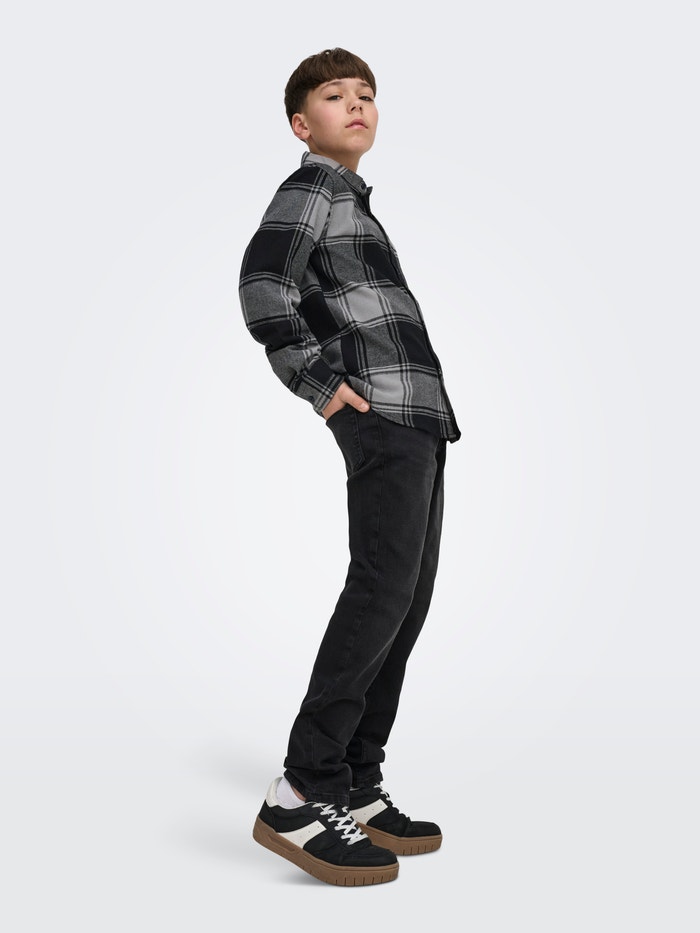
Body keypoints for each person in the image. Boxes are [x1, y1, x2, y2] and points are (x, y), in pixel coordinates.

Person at [238, 47, 461, 887]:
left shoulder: (354, 203)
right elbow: (262, 283)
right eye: (335, 96)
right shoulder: (314, 189)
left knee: (406, 598)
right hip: (381, 417)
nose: (356, 104)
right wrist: (319, 383)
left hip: (419, 420)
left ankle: (358, 780)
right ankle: (301, 787)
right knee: (379, 591)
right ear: (303, 124)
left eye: (366, 93)